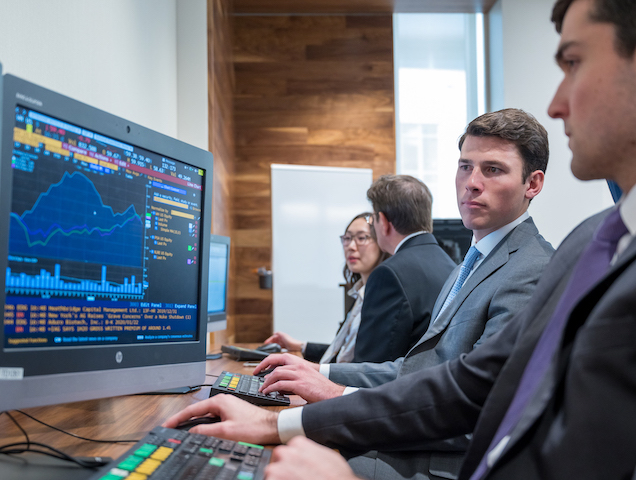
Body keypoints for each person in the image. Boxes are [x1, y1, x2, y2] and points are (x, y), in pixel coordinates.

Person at [165, 0, 636, 478]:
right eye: (465, 167)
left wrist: (304, 416)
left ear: (532, 184)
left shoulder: (538, 264)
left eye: (574, 63)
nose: (471, 183)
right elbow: (455, 383)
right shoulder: (583, 240)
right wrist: (294, 407)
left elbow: (489, 415)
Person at [293, 174, 456, 364]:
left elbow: (369, 365)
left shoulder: (389, 274)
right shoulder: (451, 266)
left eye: (363, 236)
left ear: (384, 223)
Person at [266, 212, 390, 364]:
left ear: (382, 243)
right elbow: (342, 353)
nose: (351, 246)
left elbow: (360, 366)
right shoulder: (360, 294)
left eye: (361, 238)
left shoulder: (380, 299)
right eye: (347, 238)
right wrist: (299, 346)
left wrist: (309, 370)